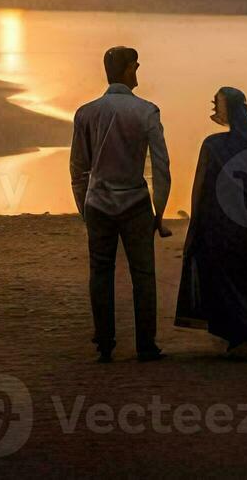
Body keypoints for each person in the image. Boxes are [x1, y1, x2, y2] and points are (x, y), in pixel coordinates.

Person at [70, 46, 171, 363]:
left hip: (98, 203)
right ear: (128, 70)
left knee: (100, 272)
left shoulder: (86, 112)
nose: (137, 71)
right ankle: (145, 345)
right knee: (143, 275)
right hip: (135, 203)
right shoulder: (146, 111)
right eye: (135, 66)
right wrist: (161, 211)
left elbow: (78, 167)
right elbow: (161, 167)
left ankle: (104, 343)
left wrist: (83, 207)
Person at [175, 87, 247, 361]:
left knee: (224, 279)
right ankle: (242, 335)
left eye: (217, 103)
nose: (213, 107)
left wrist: (197, 226)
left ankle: (238, 335)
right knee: (245, 280)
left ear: (231, 109)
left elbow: (201, 188)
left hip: (221, 227)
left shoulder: (213, 145)